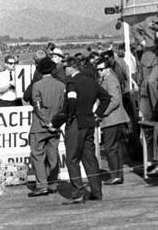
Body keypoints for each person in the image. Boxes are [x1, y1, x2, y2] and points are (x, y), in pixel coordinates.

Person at [57, 56, 111, 204]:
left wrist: (67, 117)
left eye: (65, 68)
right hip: (89, 122)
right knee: (89, 158)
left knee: (72, 158)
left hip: (76, 122)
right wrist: (98, 114)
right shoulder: (91, 81)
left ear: (71, 67)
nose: (64, 70)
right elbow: (106, 97)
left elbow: (72, 101)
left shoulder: (72, 82)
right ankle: (96, 191)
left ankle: (78, 192)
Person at [28, 57, 65, 197]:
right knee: (52, 154)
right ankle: (53, 183)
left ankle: (42, 185)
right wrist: (54, 123)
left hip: (39, 126)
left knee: (37, 155)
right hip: (55, 125)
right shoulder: (61, 85)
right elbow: (62, 107)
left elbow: (37, 107)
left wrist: (46, 122)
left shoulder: (37, 85)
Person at [96, 57, 130, 185]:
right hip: (115, 119)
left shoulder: (110, 80)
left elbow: (115, 100)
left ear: (107, 69)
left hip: (112, 120)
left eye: (101, 69)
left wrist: (102, 112)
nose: (99, 72)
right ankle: (117, 175)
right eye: (98, 69)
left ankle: (115, 175)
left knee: (110, 148)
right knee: (115, 148)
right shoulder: (107, 79)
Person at [135, 0, 158, 119]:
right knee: (145, 87)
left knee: (152, 82)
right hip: (147, 58)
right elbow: (134, 28)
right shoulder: (149, 20)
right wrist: (142, 41)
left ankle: (156, 111)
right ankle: (148, 112)